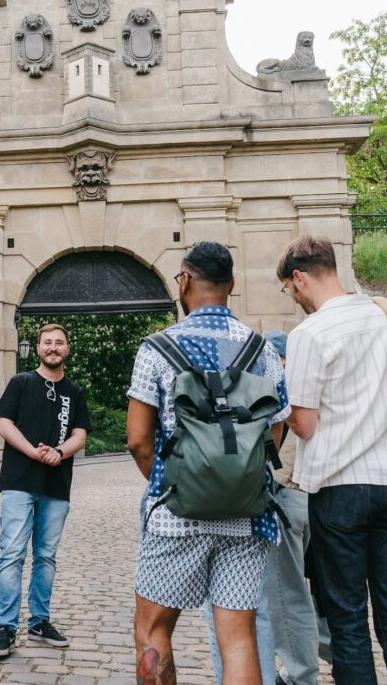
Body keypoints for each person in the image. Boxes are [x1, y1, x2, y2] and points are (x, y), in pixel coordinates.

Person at [126, 241, 289, 685]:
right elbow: (273, 434)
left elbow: (139, 440)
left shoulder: (157, 348)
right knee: (237, 638)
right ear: (231, 285)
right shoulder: (264, 351)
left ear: (184, 281)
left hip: (177, 518)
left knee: (153, 631)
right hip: (246, 518)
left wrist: (176, 481)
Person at [277, 235, 387, 684]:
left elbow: (303, 425)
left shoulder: (310, 333)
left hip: (339, 489)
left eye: (290, 290)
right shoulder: (385, 319)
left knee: (346, 618)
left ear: (300, 278)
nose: (295, 299)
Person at [203, 330, 327, 685]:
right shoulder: (298, 387)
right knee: (294, 593)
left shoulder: (278, 390)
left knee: (283, 597)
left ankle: (302, 675)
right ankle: (303, 669)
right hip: (305, 496)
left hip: (284, 495)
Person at [0, 323, 91, 659]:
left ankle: (39, 621)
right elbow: (4, 424)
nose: (53, 347)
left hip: (56, 484)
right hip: (19, 481)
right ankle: (6, 627)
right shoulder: (20, 383)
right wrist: (34, 452)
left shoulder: (75, 393)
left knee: (46, 556)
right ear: (39, 347)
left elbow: (80, 434)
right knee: (12, 554)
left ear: (67, 350)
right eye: (48, 342)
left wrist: (59, 452)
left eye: (59, 342)